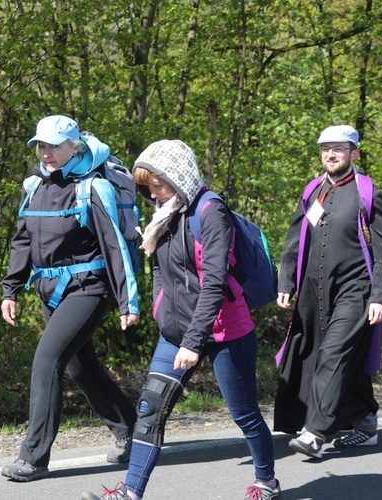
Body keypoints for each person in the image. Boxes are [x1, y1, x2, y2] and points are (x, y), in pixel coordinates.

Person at [81, 139, 280, 500]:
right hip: (175, 332)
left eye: (158, 184)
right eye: (147, 187)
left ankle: (267, 480)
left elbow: (215, 282)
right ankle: (129, 492)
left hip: (225, 331)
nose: (153, 194)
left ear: (180, 175)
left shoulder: (210, 211)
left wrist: (193, 340)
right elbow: (160, 269)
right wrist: (162, 311)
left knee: (244, 414)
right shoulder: (165, 213)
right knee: (149, 411)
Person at [0, 115, 139, 482]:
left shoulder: (93, 187)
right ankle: (133, 433)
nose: (46, 153)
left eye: (53, 146)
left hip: (89, 288)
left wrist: (128, 302)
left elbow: (115, 247)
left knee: (47, 361)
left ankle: (33, 458)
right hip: (49, 291)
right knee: (81, 367)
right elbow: (22, 242)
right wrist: (10, 289)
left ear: (74, 147)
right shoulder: (34, 186)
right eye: (41, 146)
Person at [274, 125, 382, 459]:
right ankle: (365, 421)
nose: (331, 154)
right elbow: (294, 239)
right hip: (315, 290)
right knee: (338, 357)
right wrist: (286, 282)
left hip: (356, 290)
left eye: (339, 149)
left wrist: (381, 297)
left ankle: (316, 432)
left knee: (333, 354)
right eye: (326, 149)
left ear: (354, 153)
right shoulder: (313, 190)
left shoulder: (369, 194)